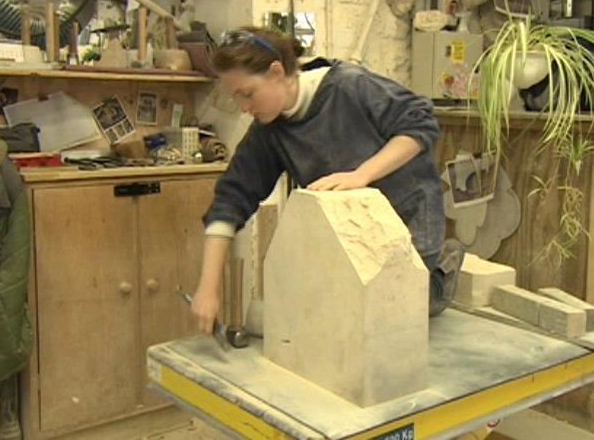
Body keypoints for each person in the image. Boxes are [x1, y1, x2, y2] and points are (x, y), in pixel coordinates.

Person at [190, 27, 464, 334]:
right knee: (345, 320)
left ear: (276, 72)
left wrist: (362, 175)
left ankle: (440, 275)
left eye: (247, 93)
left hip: (409, 220)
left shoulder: (350, 86)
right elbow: (230, 200)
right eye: (235, 97)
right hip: (353, 233)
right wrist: (208, 288)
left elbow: (421, 123)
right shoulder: (269, 130)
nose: (243, 107)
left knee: (395, 321)